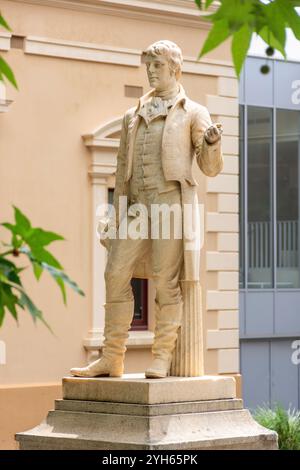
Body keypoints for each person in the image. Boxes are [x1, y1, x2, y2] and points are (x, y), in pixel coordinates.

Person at [70, 40, 223, 379]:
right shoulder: (132, 115)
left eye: (157, 66)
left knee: (166, 282)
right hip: (137, 208)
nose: (151, 71)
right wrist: (114, 213)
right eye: (148, 66)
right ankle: (112, 357)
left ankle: (162, 354)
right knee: (114, 272)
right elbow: (122, 168)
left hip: (170, 205)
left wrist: (211, 143)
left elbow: (209, 168)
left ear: (175, 69)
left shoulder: (194, 112)